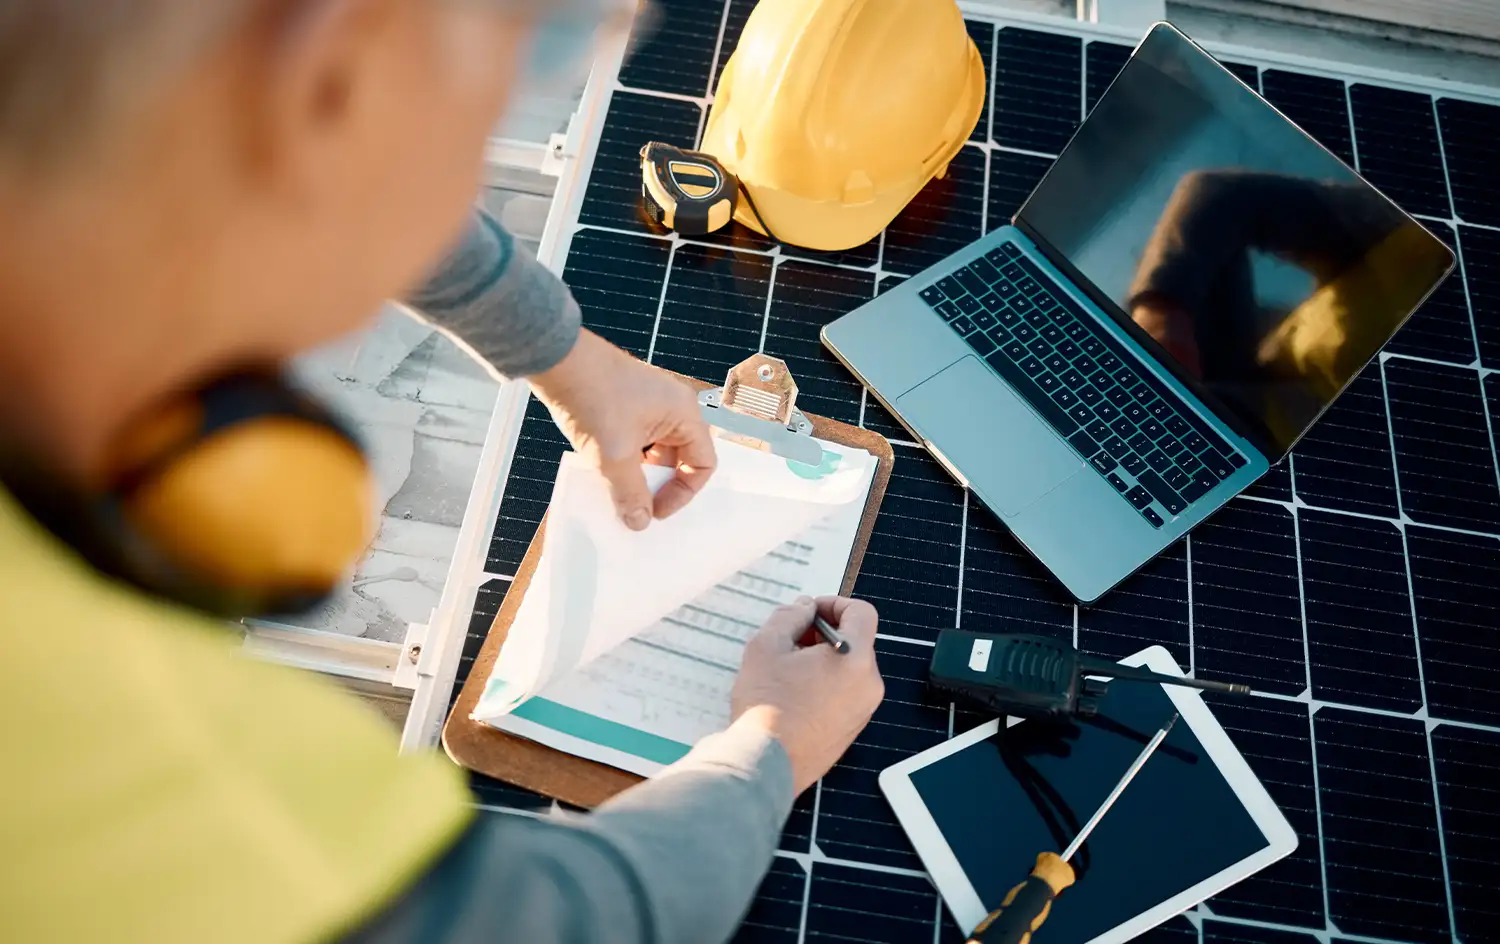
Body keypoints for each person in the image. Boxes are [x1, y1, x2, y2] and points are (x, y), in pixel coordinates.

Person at [0, 2, 886, 942]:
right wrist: (769, 748)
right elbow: (574, 924)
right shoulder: (144, 758)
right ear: (334, 84)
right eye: (516, 92)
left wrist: (569, 358)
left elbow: (288, 154)